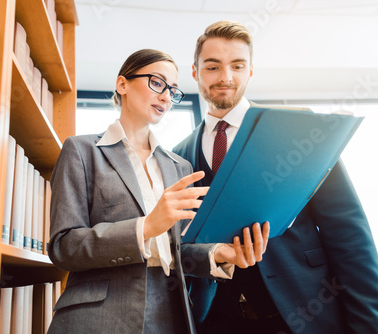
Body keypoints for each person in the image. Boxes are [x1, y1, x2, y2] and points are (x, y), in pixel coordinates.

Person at [173, 20, 378, 333]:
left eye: (237, 66)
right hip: (214, 320)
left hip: (303, 312)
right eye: (212, 67)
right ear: (195, 72)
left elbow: (348, 233)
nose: (225, 77)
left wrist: (368, 324)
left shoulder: (300, 131)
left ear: (250, 71)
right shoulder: (177, 156)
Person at [47, 48, 270, 334]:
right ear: (122, 84)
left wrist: (217, 254)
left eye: (173, 91)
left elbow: (178, 253)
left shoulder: (180, 166)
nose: (166, 96)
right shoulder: (81, 151)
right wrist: (147, 226)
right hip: (97, 317)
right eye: (157, 83)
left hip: (170, 314)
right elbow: (64, 247)